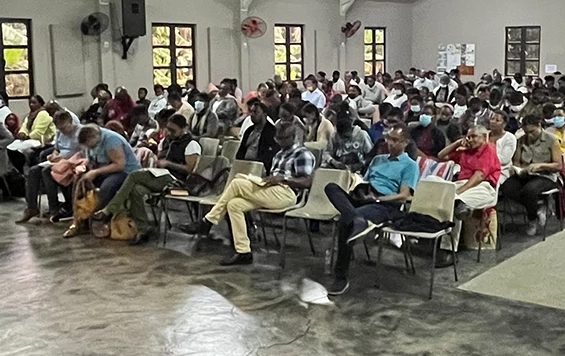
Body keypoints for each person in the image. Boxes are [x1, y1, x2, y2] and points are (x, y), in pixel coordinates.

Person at [191, 119, 313, 265]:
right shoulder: (279, 154)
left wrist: (284, 179)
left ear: (293, 137)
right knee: (234, 204)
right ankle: (243, 251)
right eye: (278, 138)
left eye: (284, 138)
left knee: (237, 183)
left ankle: (209, 221)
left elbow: (307, 182)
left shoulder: (302, 154)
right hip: (272, 189)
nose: (280, 142)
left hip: (288, 193)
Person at [323, 129, 420, 294]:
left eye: (396, 140)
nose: (390, 143)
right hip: (365, 197)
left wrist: (378, 199)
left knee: (345, 222)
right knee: (331, 187)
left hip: (386, 204)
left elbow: (403, 196)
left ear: (405, 143)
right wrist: (361, 191)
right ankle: (356, 218)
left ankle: (341, 277)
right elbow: (365, 181)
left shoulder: (410, 165)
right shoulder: (377, 159)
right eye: (389, 139)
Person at [96, 113, 205, 244]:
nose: (169, 132)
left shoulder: (191, 144)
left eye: (173, 130)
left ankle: (109, 209)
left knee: (134, 175)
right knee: (136, 189)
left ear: (184, 128)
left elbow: (189, 169)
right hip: (160, 175)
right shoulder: (167, 141)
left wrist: (168, 163)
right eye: (168, 129)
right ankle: (143, 230)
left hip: (176, 180)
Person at [498, 114, 565, 235]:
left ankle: (532, 219)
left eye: (532, 132)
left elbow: (558, 165)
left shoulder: (552, 140)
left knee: (530, 190)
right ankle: (537, 207)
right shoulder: (521, 140)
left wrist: (540, 166)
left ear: (539, 126)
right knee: (507, 187)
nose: (529, 135)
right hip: (526, 174)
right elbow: (517, 161)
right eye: (526, 132)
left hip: (545, 176)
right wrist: (519, 169)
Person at [67, 123, 136, 236]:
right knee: (79, 181)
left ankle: (98, 219)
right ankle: (78, 219)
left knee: (107, 187)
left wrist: (95, 172)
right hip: (104, 169)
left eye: (91, 146)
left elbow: (119, 164)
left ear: (96, 138)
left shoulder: (111, 141)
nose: (89, 148)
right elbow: (92, 159)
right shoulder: (91, 142)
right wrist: (85, 168)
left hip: (125, 172)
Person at [21, 109, 80, 222]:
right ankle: (32, 207)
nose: (63, 132)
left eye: (64, 128)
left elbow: (81, 152)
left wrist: (62, 158)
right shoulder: (60, 133)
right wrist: (54, 155)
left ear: (70, 122)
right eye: (60, 129)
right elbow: (57, 149)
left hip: (73, 161)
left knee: (46, 172)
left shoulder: (80, 132)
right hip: (59, 160)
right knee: (33, 171)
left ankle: (54, 207)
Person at [441, 122, 502, 215]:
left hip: (482, 186)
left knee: (455, 201)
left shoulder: (488, 148)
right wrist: (457, 143)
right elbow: (441, 156)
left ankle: (459, 203)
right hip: (461, 183)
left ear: (484, 137)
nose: (470, 140)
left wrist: (459, 191)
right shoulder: (466, 151)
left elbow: (479, 176)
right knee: (434, 185)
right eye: (468, 137)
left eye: (474, 136)